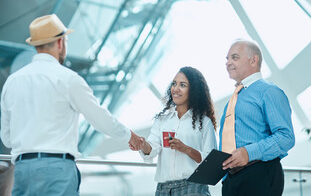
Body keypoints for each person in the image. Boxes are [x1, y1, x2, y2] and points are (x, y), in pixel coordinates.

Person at [0, 14, 143, 196]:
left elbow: (7, 139)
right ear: (60, 43)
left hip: (22, 169)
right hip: (57, 170)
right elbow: (100, 119)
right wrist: (130, 137)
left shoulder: (12, 82)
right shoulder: (68, 79)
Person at [220, 38, 295, 196]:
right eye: (227, 59)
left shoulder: (269, 91)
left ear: (253, 60)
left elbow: (286, 136)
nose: (227, 63)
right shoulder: (232, 102)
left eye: (234, 57)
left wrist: (249, 152)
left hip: (259, 174)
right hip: (231, 180)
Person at [139, 66, 217, 196]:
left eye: (183, 85)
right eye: (174, 84)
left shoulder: (204, 122)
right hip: (163, 190)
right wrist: (142, 144)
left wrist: (186, 149)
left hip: (193, 189)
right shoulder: (162, 120)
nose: (176, 89)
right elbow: (152, 149)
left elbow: (210, 161)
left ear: (193, 91)